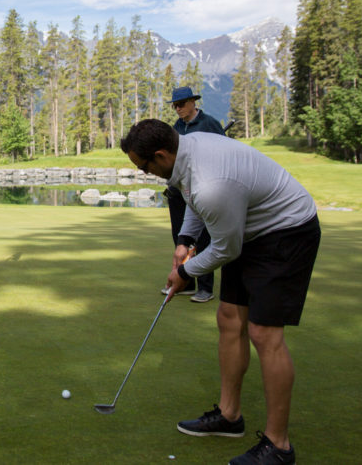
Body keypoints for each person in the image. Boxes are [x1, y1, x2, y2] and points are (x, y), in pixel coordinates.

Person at [121, 119, 320, 465]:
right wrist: (185, 240)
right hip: (250, 229)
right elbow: (193, 200)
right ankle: (230, 416)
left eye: (144, 166)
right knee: (229, 318)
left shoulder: (211, 182)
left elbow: (225, 249)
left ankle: (279, 445)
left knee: (264, 333)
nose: (145, 173)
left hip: (287, 230)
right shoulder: (187, 152)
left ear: (162, 154)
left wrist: (184, 272)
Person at [163, 86, 226, 303]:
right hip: (179, 190)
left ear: (192, 102)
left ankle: (205, 288)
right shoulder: (177, 127)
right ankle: (186, 281)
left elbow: (224, 155)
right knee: (180, 236)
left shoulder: (209, 124)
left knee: (203, 238)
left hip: (203, 189)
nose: (178, 109)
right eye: (175, 105)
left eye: (181, 104)